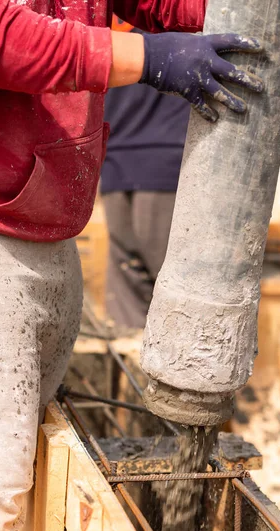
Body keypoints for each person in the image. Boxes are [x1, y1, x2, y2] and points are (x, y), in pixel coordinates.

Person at [0, 0, 280, 531]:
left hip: (43, 227)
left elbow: (149, 2)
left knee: (21, 470)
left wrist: (247, 8)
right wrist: (143, 56)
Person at [102, 16, 190, 328]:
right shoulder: (182, 13)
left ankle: (134, 375)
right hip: (167, 164)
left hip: (116, 163)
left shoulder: (109, 16)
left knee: (129, 287)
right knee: (186, 292)